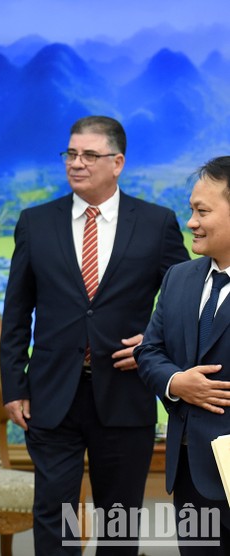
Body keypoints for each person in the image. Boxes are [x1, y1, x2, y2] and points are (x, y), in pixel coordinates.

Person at [0, 115, 189, 554]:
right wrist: (14, 386)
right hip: (51, 394)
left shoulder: (157, 223)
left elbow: (184, 300)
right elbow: (17, 312)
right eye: (70, 153)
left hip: (125, 391)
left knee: (119, 520)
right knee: (54, 516)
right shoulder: (35, 222)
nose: (76, 163)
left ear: (117, 162)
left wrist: (154, 344)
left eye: (89, 155)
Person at [135, 156, 230, 553]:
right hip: (191, 472)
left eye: (202, 212)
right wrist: (177, 382)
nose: (191, 222)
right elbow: (149, 350)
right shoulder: (179, 278)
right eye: (191, 210)